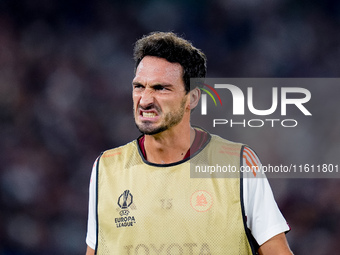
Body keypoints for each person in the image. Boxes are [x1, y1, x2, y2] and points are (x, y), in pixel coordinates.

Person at [85, 32, 293, 255]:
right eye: (139, 87)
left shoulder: (237, 163)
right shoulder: (106, 168)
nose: (145, 100)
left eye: (160, 88)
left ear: (192, 98)